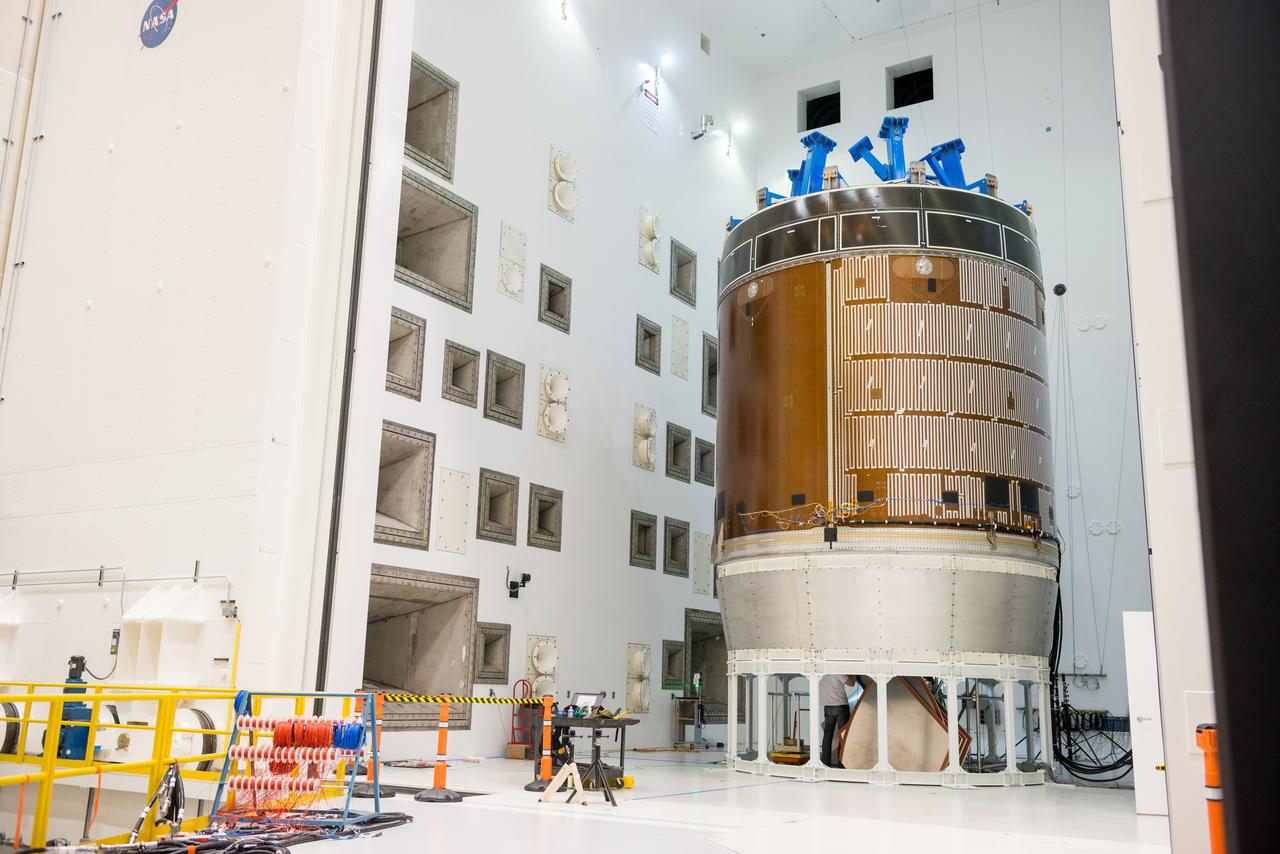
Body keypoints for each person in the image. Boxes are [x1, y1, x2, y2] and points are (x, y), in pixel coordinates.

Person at [819, 674, 855, 768]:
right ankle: (841, 764)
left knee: (827, 736)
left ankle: (825, 763)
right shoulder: (836, 671)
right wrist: (854, 673)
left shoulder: (823, 672)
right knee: (843, 736)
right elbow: (851, 683)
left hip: (827, 706)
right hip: (840, 705)